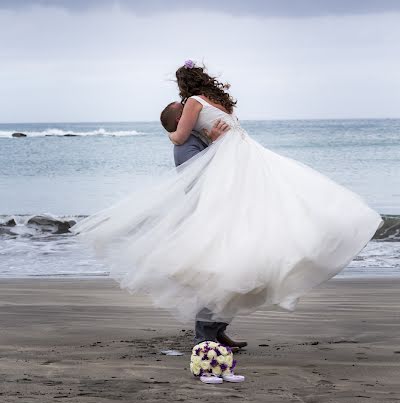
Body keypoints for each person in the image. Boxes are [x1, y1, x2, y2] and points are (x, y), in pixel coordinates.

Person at [73, 60, 382, 341]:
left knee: (232, 245)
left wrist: (172, 134)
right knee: (252, 234)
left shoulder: (192, 103)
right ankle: (212, 330)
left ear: (184, 89)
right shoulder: (221, 104)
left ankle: (212, 331)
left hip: (233, 165)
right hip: (248, 159)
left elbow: (178, 136)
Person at [160, 101, 248, 350]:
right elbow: (200, 181)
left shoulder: (200, 138)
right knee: (214, 277)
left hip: (222, 214)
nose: (193, 112)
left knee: (233, 273)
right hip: (208, 219)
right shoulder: (185, 146)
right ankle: (205, 338)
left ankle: (217, 331)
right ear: (181, 121)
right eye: (185, 111)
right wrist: (218, 144)